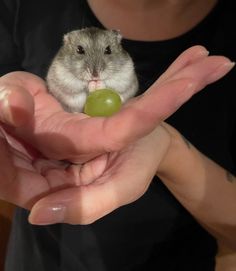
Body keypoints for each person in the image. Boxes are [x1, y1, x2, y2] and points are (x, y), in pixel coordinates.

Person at [0, 0, 235, 270]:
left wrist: (167, 148)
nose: (95, 67)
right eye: (80, 52)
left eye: (108, 52)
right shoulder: (21, 6)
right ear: (68, 46)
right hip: (40, 257)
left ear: (118, 47)